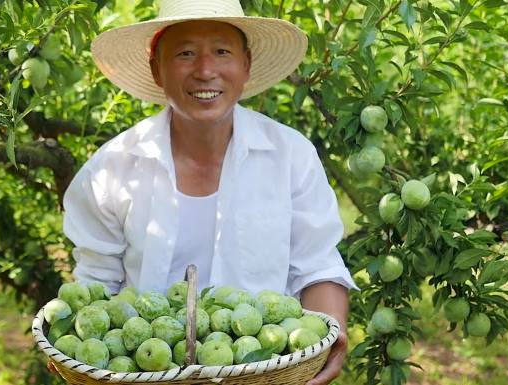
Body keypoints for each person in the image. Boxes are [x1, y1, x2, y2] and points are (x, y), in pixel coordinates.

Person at [62, 1, 358, 384]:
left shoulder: (289, 155)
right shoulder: (113, 168)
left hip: (265, 372)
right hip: (148, 372)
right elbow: (94, 286)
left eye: (222, 51)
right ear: (157, 68)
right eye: (185, 53)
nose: (205, 71)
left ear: (247, 65)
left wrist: (329, 337)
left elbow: (317, 265)